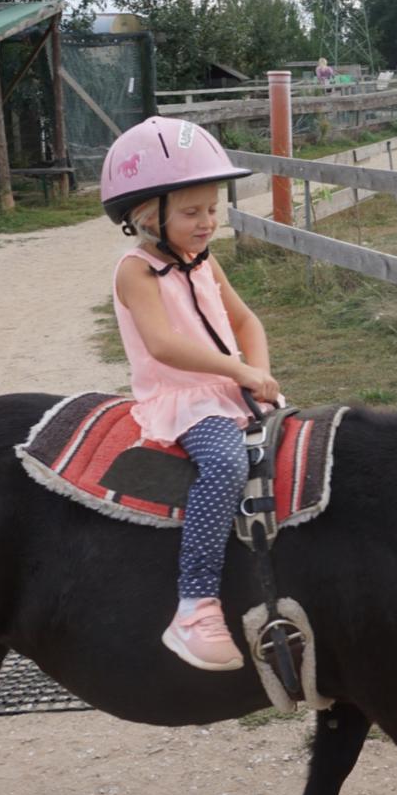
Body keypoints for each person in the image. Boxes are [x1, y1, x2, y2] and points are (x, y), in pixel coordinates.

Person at [100, 117, 281, 672]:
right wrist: (239, 373)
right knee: (226, 464)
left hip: (232, 390)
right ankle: (194, 603)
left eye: (212, 209)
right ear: (148, 216)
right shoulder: (137, 271)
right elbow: (163, 345)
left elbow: (247, 322)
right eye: (191, 212)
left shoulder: (206, 263)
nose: (207, 222)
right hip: (182, 400)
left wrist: (261, 374)